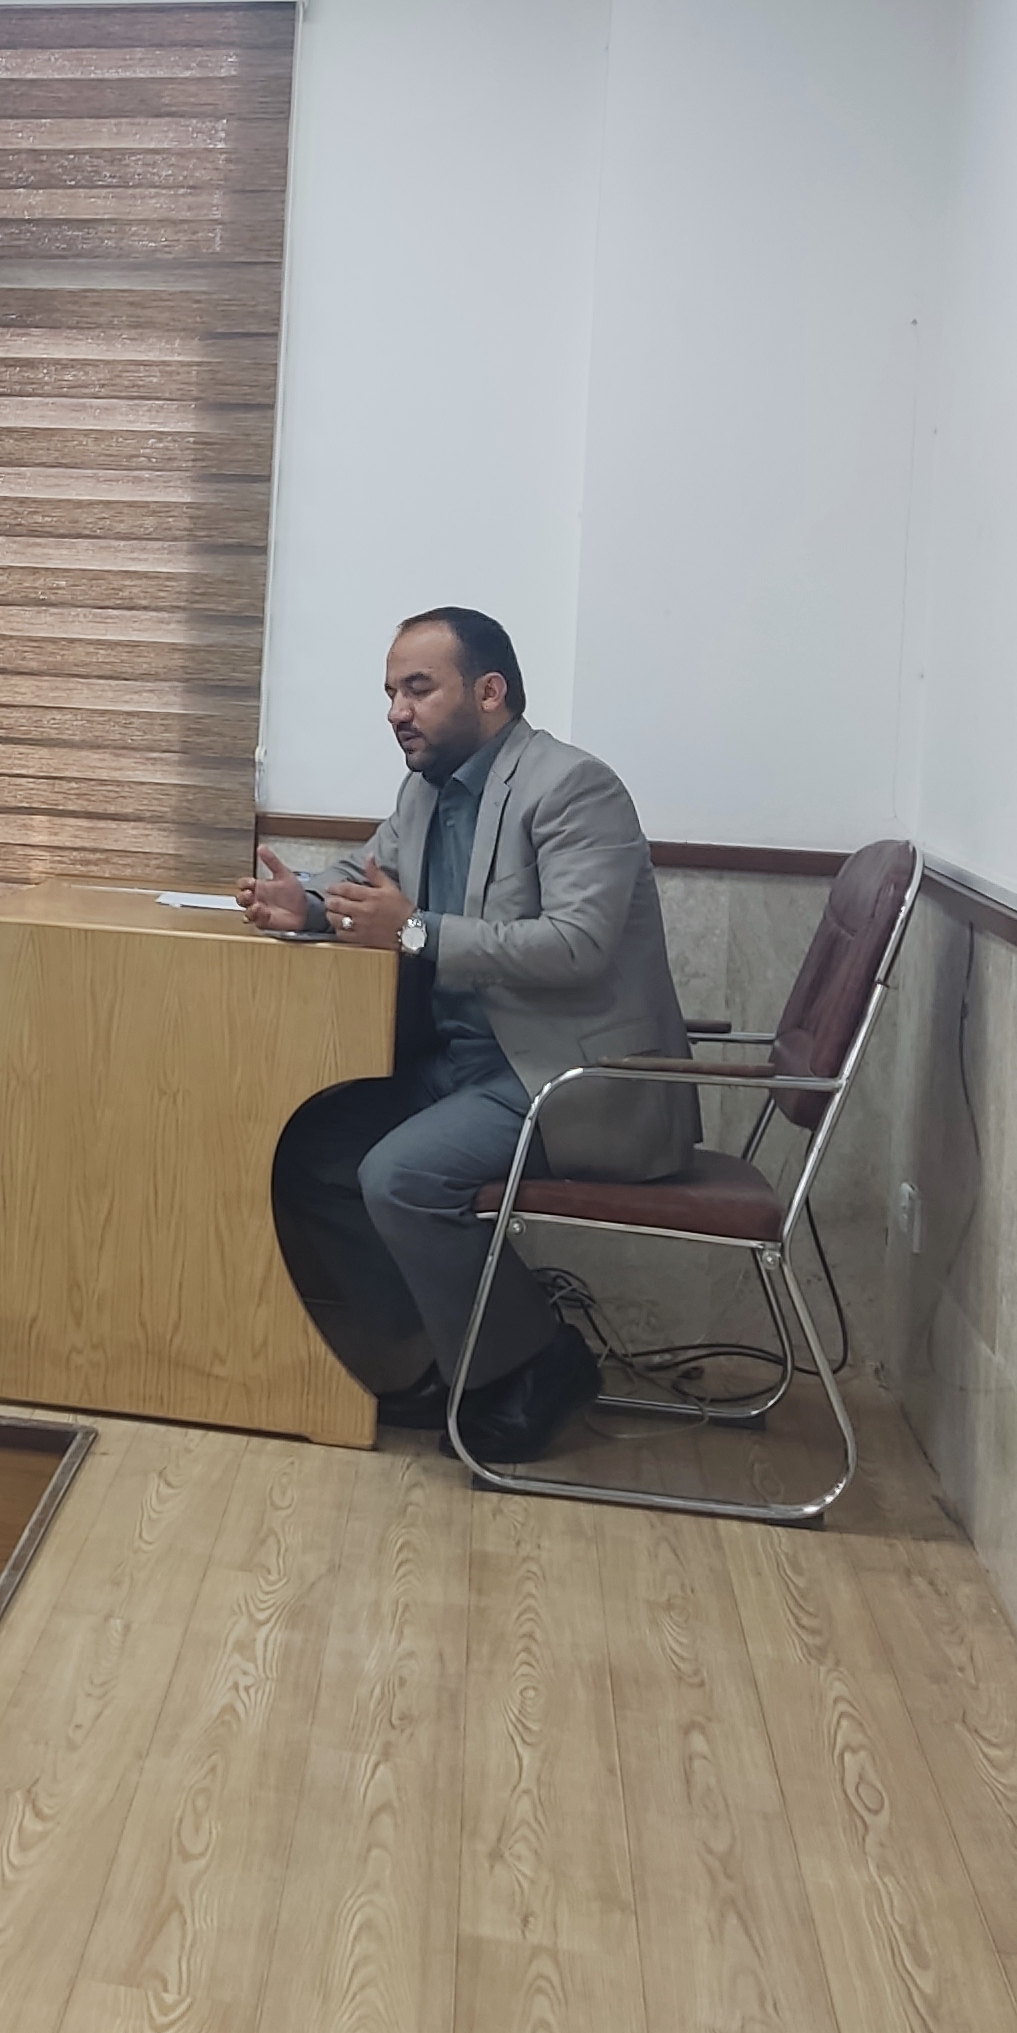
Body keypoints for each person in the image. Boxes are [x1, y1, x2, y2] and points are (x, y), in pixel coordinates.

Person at [242, 607, 697, 1460]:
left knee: (400, 1176)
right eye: (390, 693)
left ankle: (536, 1362)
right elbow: (364, 878)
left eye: (418, 689)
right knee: (311, 1153)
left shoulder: (574, 787)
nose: (396, 712)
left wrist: (414, 932)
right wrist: (304, 903)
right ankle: (448, 1355)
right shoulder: (425, 792)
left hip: (567, 1078)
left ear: (489, 692)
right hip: (461, 1066)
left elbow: (578, 944)